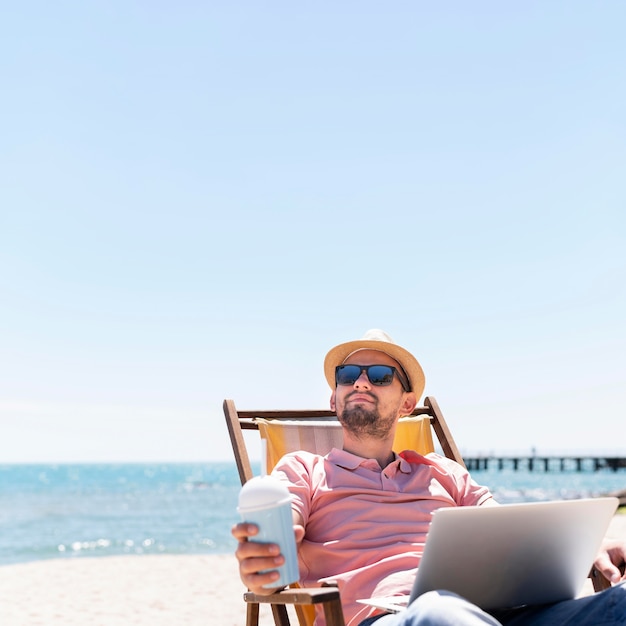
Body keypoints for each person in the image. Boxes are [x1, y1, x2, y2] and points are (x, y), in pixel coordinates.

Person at [232, 329, 626, 626]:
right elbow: (277, 540)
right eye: (348, 373)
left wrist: (587, 546)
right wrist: (264, 562)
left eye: (381, 375)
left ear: (407, 404)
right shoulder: (304, 470)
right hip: (396, 619)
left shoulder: (443, 472)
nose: (361, 382)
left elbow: (514, 539)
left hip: (492, 613)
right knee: (438, 610)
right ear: (334, 399)